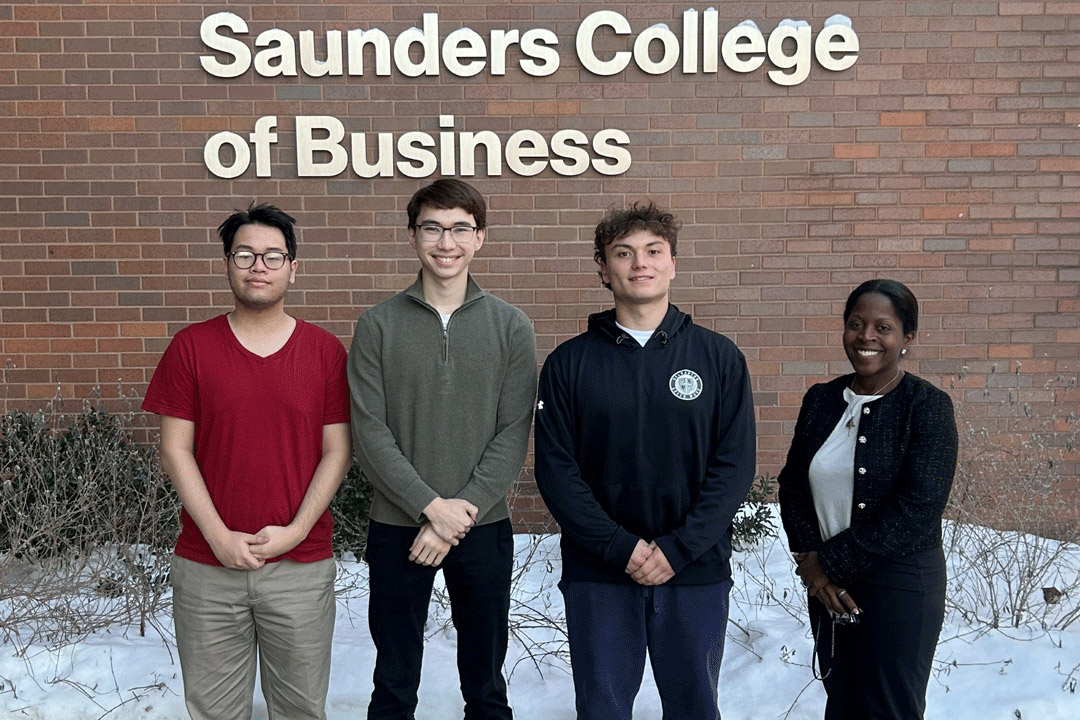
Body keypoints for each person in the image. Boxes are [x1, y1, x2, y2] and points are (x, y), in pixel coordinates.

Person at [534, 202, 756, 720]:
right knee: (603, 708)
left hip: (695, 570)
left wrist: (679, 548)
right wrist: (619, 546)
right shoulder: (569, 364)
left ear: (673, 263)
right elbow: (557, 471)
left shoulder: (719, 358)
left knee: (695, 707)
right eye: (624, 253)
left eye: (653, 251)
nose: (641, 264)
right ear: (603, 269)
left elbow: (734, 465)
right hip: (600, 574)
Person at [142, 203, 351, 720]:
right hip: (206, 565)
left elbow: (338, 450)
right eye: (245, 254)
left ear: (292, 268)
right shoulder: (191, 348)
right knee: (214, 711)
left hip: (300, 565)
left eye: (272, 256)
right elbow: (175, 449)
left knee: (301, 709)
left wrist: (297, 530)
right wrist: (216, 535)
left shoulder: (325, 352)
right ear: (227, 264)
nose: (259, 266)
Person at [348, 178, 537, 720]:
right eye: (432, 227)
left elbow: (512, 432)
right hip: (397, 527)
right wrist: (431, 509)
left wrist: (459, 514)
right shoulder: (378, 326)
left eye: (460, 228)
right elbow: (370, 432)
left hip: (484, 525)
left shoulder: (511, 327)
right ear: (413, 236)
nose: (446, 242)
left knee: (485, 683)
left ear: (480, 238)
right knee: (393, 681)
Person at [777, 278, 958, 719]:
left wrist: (828, 564)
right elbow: (793, 486)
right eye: (856, 324)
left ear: (907, 338)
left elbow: (918, 509)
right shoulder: (821, 399)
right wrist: (813, 569)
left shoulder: (927, 406)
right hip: (829, 586)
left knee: (889, 708)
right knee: (842, 704)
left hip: (900, 585)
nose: (867, 337)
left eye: (883, 327)